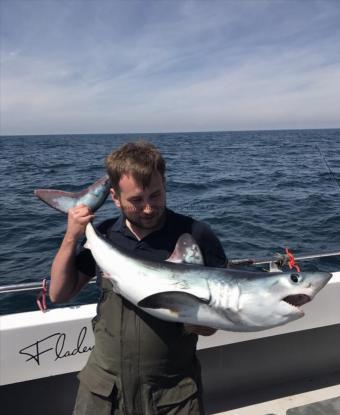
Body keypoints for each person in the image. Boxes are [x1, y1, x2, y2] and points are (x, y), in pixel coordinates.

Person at [50, 141, 227, 415]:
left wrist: (199, 323)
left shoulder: (196, 234)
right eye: (136, 200)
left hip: (172, 391)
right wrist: (72, 234)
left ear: (165, 185)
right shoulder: (104, 236)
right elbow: (59, 294)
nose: (147, 208)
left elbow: (213, 320)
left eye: (155, 196)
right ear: (114, 197)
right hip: (103, 389)